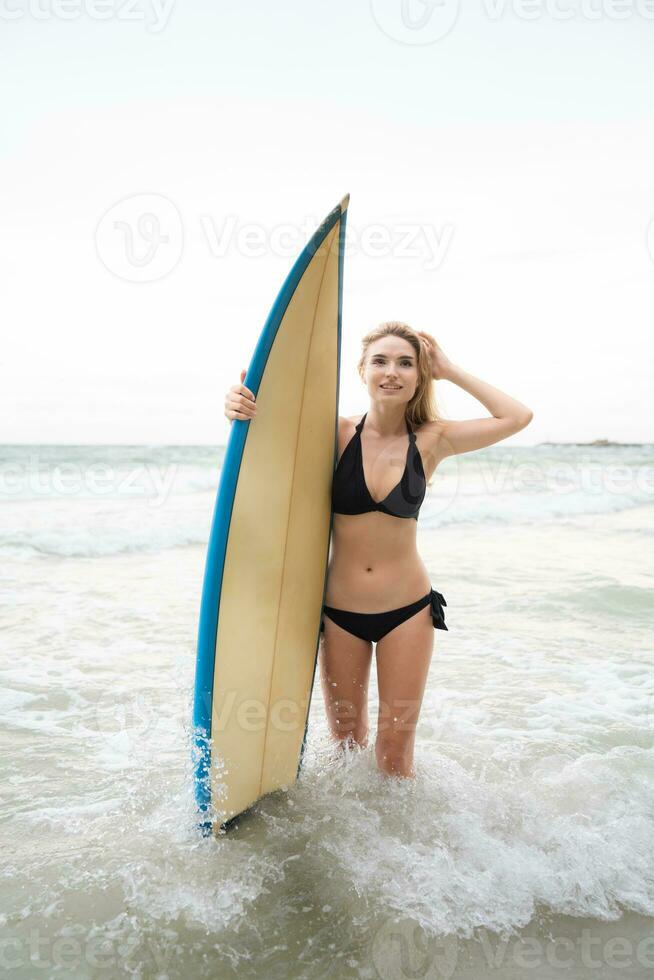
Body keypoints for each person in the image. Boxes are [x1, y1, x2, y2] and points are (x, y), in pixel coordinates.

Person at [224, 321, 533, 779]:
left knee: (394, 753)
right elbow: (269, 423)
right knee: (346, 746)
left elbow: (517, 417)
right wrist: (238, 403)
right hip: (339, 613)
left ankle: (404, 846)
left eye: (406, 363)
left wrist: (449, 369)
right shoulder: (334, 433)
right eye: (381, 361)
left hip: (407, 612)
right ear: (362, 370)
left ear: (419, 376)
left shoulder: (433, 439)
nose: (393, 372)